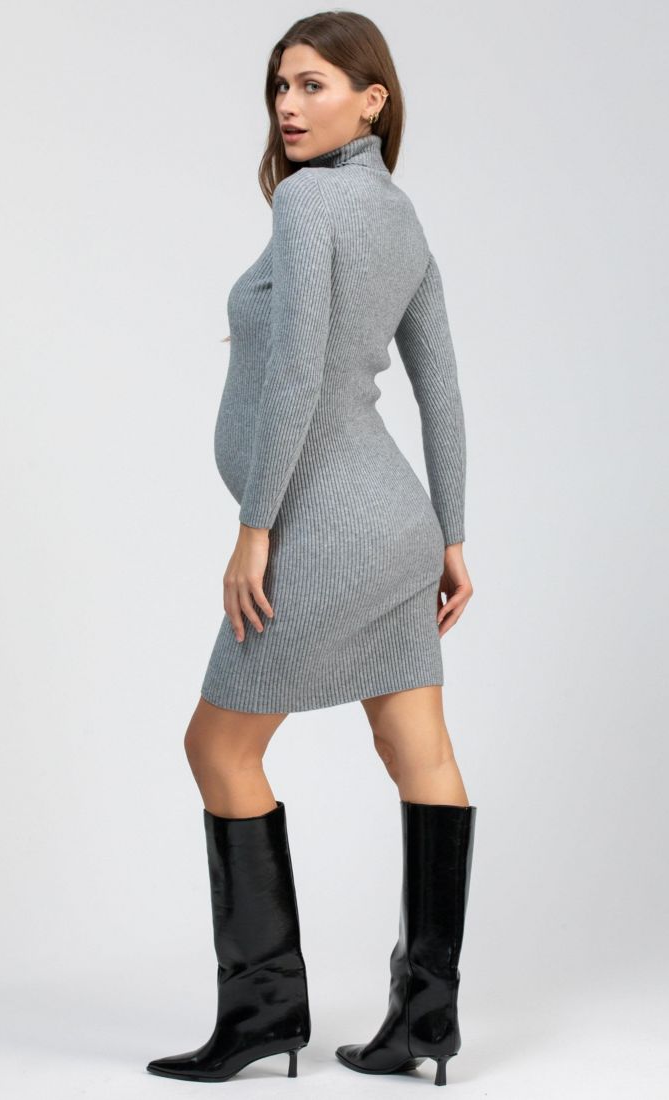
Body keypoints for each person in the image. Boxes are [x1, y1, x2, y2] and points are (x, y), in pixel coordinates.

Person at [146, 10, 477, 1088]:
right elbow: (442, 388)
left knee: (219, 749)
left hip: (325, 529)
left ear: (372, 99)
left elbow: (296, 371)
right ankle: (425, 1021)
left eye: (314, 85)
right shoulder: (399, 214)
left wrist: (255, 530)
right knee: (419, 750)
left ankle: (262, 1012)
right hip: (400, 526)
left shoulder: (308, 203)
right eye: (280, 85)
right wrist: (452, 534)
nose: (289, 106)